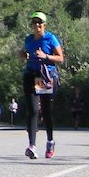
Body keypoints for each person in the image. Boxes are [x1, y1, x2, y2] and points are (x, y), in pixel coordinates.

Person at [20, 11, 65, 159]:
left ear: (44, 25)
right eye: (35, 22)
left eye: (40, 23)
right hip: (30, 75)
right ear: (32, 25)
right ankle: (32, 146)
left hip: (44, 77)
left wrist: (45, 56)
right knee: (33, 110)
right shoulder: (29, 40)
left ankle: (50, 141)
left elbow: (60, 58)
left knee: (45, 111)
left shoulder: (50, 38)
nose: (37, 25)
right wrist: (23, 55)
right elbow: (25, 53)